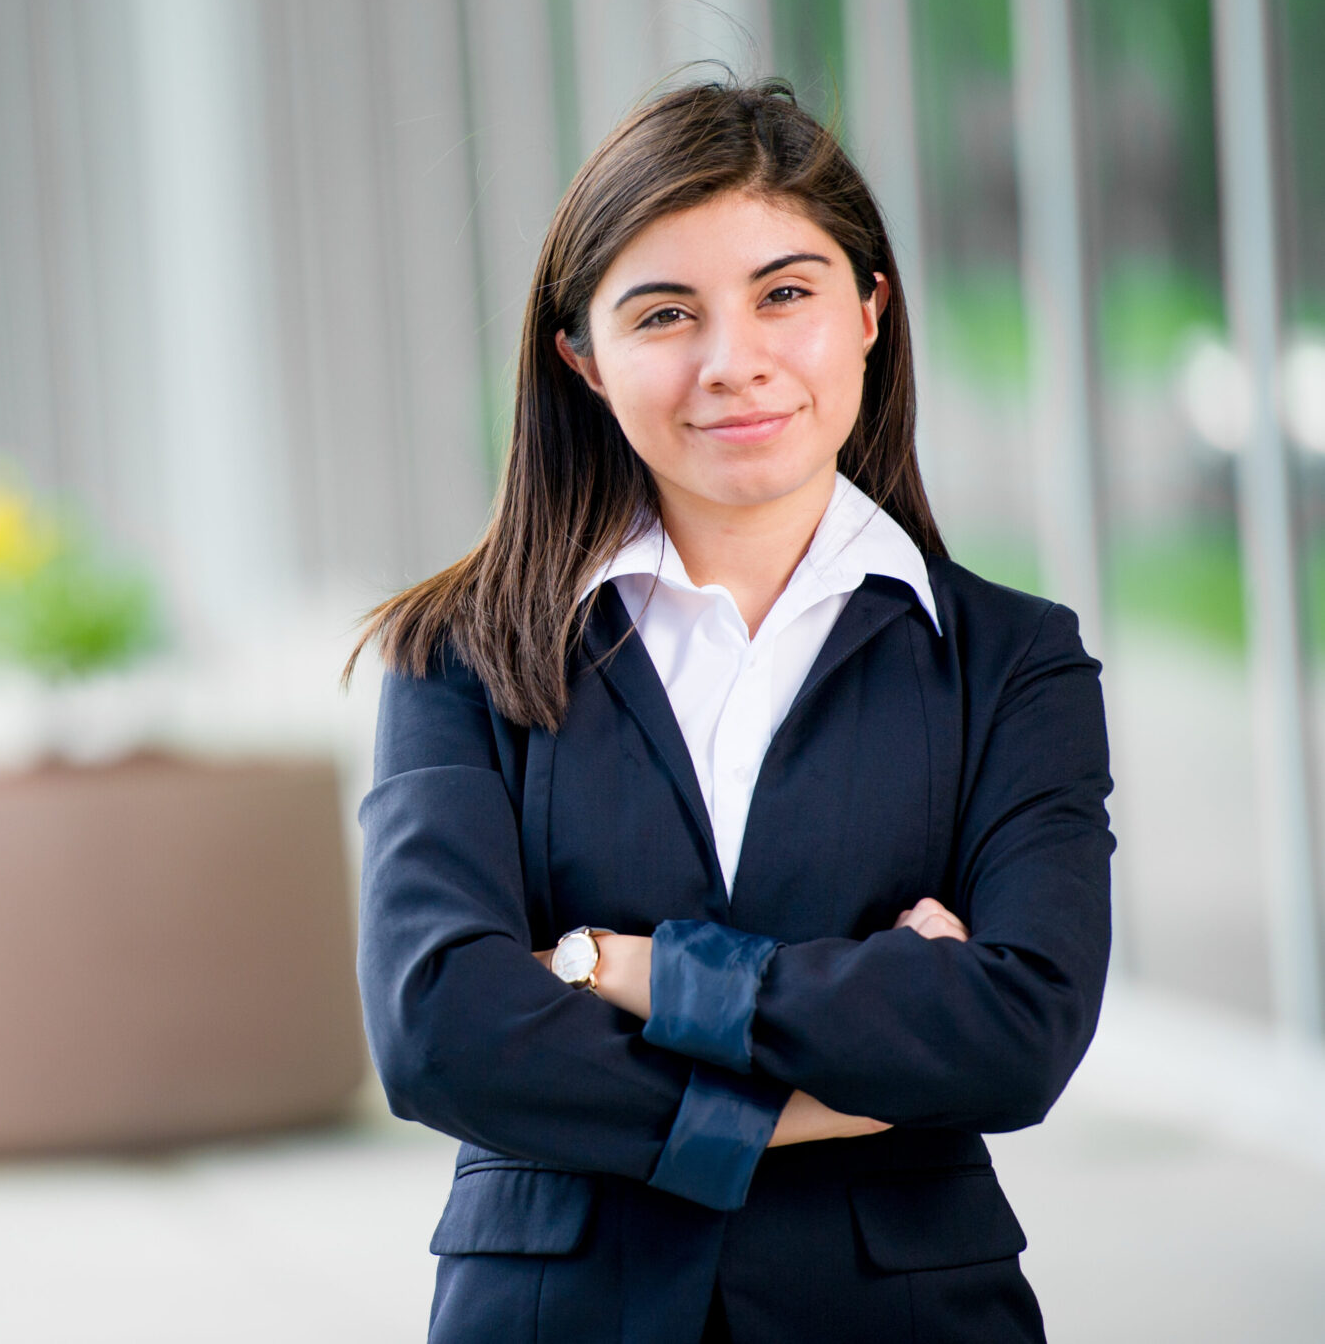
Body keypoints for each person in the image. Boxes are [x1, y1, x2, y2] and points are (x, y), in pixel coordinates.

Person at [343, 73, 1114, 1344]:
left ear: (871, 312)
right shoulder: (465, 654)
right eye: (663, 315)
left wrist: (615, 967)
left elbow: (1016, 1032)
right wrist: (824, 1085)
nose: (733, 361)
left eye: (786, 293)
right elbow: (439, 1031)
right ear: (581, 360)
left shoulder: (1010, 663)